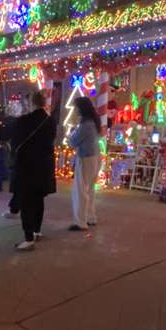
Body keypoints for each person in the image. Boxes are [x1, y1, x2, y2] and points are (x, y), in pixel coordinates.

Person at [9, 90, 57, 251]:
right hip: (44, 166)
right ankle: (37, 231)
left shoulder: (24, 121)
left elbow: (14, 140)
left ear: (31, 103)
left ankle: (28, 238)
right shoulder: (50, 121)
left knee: (27, 202)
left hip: (27, 167)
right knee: (38, 199)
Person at [68, 96, 101, 231]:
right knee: (90, 189)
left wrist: (71, 133)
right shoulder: (93, 122)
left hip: (85, 158)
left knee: (80, 190)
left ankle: (80, 221)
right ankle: (90, 216)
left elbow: (72, 142)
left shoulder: (85, 125)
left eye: (76, 108)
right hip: (94, 157)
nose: (75, 110)